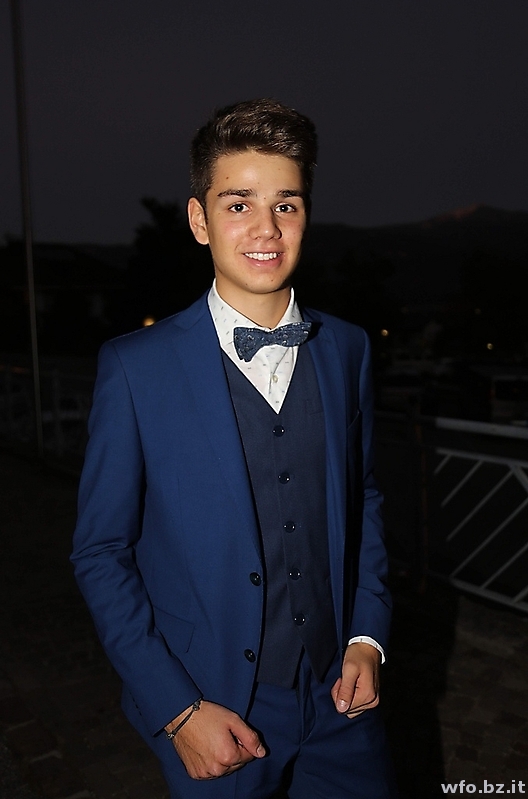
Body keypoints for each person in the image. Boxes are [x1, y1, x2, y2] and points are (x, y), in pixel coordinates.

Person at [71, 98, 397, 799]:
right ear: (199, 220)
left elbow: (364, 495)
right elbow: (101, 551)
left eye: (286, 205)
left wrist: (367, 636)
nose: (265, 229)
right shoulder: (135, 367)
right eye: (238, 204)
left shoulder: (348, 349)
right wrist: (177, 710)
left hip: (342, 706)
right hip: (213, 705)